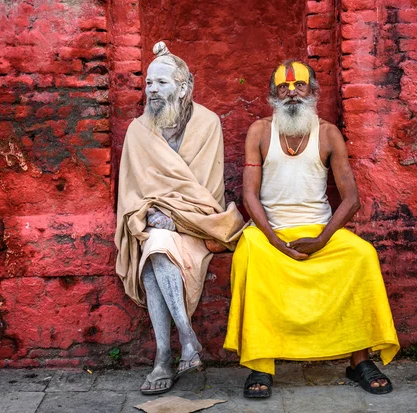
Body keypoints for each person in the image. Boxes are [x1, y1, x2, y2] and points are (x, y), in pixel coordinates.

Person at [224, 60, 400, 398]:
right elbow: (249, 194)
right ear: (272, 95)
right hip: (269, 231)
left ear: (312, 91)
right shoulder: (259, 131)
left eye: (299, 86)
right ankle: (260, 365)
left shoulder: (328, 133)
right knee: (249, 256)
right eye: (283, 87)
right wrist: (274, 240)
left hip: (318, 231)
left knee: (362, 255)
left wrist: (321, 239)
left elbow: (351, 200)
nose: (291, 92)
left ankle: (359, 361)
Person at [115, 41, 244, 395]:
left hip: (196, 226)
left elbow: (207, 195)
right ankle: (185, 340)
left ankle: (163, 359)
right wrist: (149, 214)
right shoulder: (138, 131)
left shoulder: (208, 124)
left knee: (158, 247)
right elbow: (130, 195)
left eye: (162, 83)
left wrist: (175, 219)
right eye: (148, 83)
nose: (152, 90)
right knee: (155, 243)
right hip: (154, 224)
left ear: (184, 87)